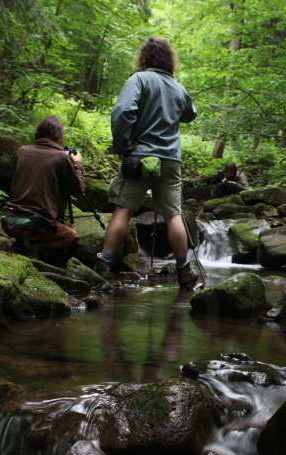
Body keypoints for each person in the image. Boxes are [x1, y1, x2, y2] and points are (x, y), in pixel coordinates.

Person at [100, 37, 198, 289]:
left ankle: (104, 265)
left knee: (123, 210)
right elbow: (191, 114)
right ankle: (184, 271)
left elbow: (123, 111)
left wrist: (123, 146)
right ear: (169, 60)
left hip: (140, 158)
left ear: (144, 57)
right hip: (170, 160)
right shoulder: (178, 87)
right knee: (173, 215)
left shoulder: (139, 79)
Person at [1, 116, 84, 258]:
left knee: (40, 225)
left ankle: (23, 243)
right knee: (71, 236)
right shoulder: (61, 157)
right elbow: (79, 191)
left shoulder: (22, 151)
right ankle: (33, 248)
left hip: (8, 221)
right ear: (58, 136)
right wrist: (77, 164)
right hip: (35, 226)